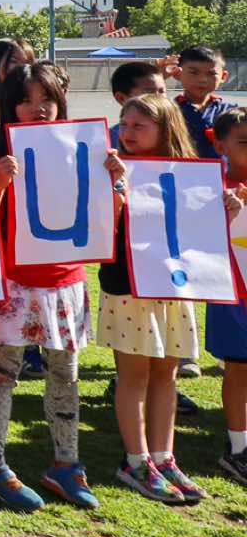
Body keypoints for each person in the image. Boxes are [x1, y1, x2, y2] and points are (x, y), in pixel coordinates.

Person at [0, 62, 97, 512]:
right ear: (9, 106)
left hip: (65, 280)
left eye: (45, 99)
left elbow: (104, 216)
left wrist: (114, 180)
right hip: (14, 283)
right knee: (1, 374)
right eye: (25, 101)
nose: (37, 108)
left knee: (66, 373)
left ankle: (66, 463)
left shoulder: (82, 148)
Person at [98, 93, 211, 503]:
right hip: (128, 287)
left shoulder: (188, 174)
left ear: (165, 130)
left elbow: (201, 230)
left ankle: (164, 458)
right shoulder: (112, 170)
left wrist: (227, 209)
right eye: (124, 124)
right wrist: (115, 189)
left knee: (167, 375)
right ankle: (135, 460)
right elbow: (102, 228)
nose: (127, 133)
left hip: (173, 288)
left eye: (138, 126)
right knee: (134, 376)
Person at [209, 108, 247, 484]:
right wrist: (226, 210)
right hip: (233, 295)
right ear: (220, 145)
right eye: (244, 142)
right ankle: (238, 449)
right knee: (238, 368)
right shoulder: (211, 188)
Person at [173, 45, 229, 160]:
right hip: (180, 169)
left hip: (221, 171)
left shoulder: (230, 112)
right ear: (177, 73)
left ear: (223, 76)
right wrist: (161, 76)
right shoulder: (169, 109)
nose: (202, 80)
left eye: (211, 74)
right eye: (194, 73)